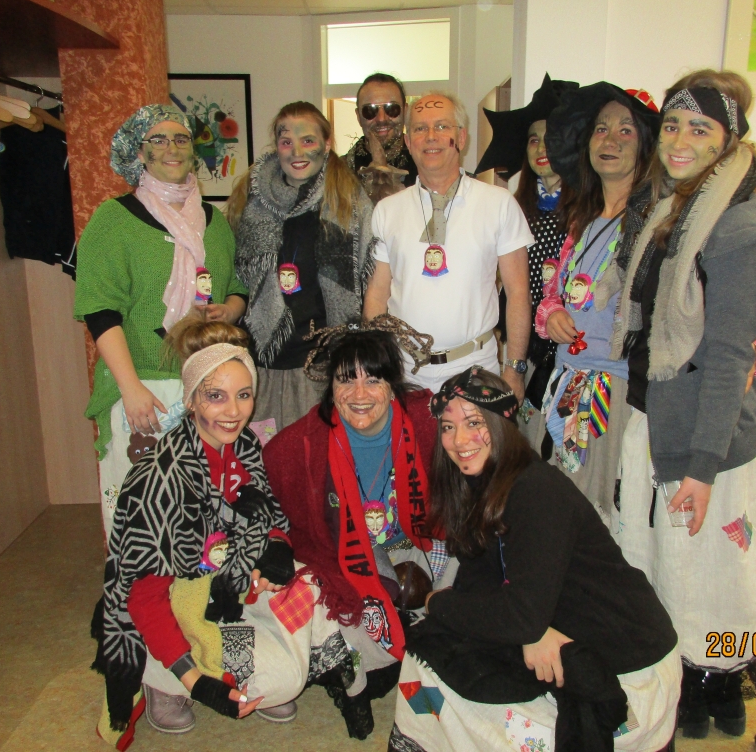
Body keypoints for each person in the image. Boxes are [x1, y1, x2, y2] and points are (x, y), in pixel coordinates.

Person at [595, 69, 756, 739]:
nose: (679, 140)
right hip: (655, 413)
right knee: (661, 559)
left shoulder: (739, 221)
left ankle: (718, 689)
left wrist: (703, 469)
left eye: (699, 128)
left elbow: (730, 355)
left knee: (711, 568)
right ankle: (680, 686)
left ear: (728, 139)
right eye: (672, 125)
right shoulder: (666, 206)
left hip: (709, 435)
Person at [389, 367, 680, 752]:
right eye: (447, 427)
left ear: (502, 424)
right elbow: (478, 587)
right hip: (557, 626)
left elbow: (520, 617)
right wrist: (529, 630)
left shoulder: (536, 490)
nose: (459, 440)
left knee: (444, 647)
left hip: (628, 660)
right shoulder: (481, 486)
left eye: (474, 423)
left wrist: (434, 601)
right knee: (435, 644)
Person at [92, 317, 353, 745]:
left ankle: (245, 665)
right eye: (216, 396)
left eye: (243, 395)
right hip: (169, 603)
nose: (233, 412)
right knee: (284, 680)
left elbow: (268, 516)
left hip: (222, 586)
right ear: (192, 400)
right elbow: (142, 598)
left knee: (311, 587)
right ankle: (162, 676)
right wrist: (198, 684)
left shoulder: (244, 447)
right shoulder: (160, 480)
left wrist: (277, 547)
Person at [262, 317, 455, 740]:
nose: (359, 394)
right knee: (353, 612)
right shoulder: (303, 444)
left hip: (413, 536)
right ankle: (363, 672)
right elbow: (269, 489)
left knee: (464, 579)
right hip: (348, 551)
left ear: (393, 384)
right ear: (330, 387)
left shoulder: (424, 423)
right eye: (346, 380)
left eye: (373, 380)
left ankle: (405, 644)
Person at [74, 104, 247, 537]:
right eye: (158, 140)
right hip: (144, 387)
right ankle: (136, 580)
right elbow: (99, 311)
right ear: (139, 153)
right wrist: (130, 388)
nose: (172, 148)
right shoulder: (114, 221)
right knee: (140, 508)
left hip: (206, 386)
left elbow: (236, 286)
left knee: (203, 509)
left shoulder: (213, 222)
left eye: (181, 139)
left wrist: (229, 309)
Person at [528, 83, 660, 527]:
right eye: (602, 129)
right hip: (568, 381)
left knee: (599, 514)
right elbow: (555, 293)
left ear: (645, 146)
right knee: (566, 506)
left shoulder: (653, 223)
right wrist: (553, 314)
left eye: (626, 130)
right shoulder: (582, 221)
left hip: (613, 392)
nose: (611, 139)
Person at [364, 91, 534, 399]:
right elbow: (377, 294)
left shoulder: (498, 204)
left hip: (475, 369)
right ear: (408, 142)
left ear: (462, 137)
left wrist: (514, 369)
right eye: (420, 128)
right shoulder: (387, 210)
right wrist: (377, 367)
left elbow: (519, 292)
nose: (431, 136)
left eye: (442, 126)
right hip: (406, 374)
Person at [228, 101, 375, 434]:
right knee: (267, 457)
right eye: (286, 142)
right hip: (264, 361)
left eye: (308, 140)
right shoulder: (249, 200)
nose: (297, 152)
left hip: (324, 364)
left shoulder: (350, 202)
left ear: (327, 143)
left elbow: (372, 286)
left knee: (319, 457)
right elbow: (238, 281)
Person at [474, 74, 579, 408]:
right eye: (533, 140)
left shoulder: (590, 210)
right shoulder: (512, 209)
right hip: (521, 349)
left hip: (569, 347)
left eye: (551, 139)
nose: (542, 148)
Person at [345, 73, 418, 188]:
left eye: (392, 108)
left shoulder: (425, 165)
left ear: (405, 111)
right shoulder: (340, 172)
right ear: (358, 116)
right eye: (370, 110)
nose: (381, 119)